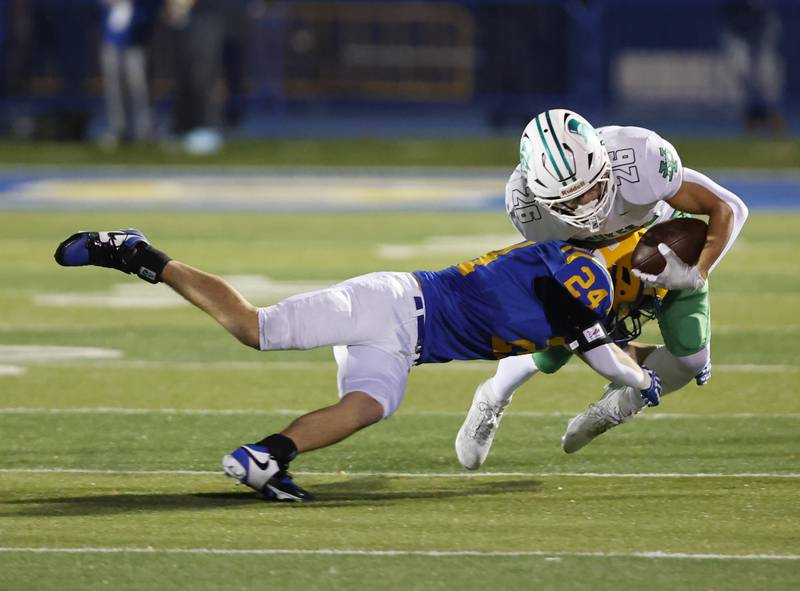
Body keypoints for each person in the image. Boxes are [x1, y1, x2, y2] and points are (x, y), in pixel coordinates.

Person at [54, 228, 663, 502]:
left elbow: (601, 348)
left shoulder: (589, 295)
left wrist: (639, 367)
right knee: (254, 328)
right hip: (394, 301)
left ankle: (266, 458)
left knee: (372, 405)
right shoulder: (586, 279)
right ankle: (135, 252)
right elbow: (608, 362)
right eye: (647, 291)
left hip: (404, 343)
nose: (641, 305)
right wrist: (642, 380)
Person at [455, 108, 749, 469]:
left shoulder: (640, 157)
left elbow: (729, 206)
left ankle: (617, 407)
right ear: (542, 196)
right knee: (549, 349)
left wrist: (697, 272)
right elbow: (569, 292)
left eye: (592, 188)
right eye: (569, 201)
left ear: (604, 164)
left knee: (691, 357)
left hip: (658, 248)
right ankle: (493, 395)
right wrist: (607, 340)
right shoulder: (527, 207)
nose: (588, 204)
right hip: (589, 258)